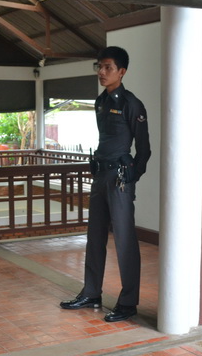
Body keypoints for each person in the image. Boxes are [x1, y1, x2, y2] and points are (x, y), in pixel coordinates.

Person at [60, 46, 151, 322]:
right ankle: (91, 293)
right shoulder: (100, 101)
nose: (101, 72)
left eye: (108, 67)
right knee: (95, 237)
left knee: (124, 240)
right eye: (99, 66)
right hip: (100, 176)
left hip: (120, 179)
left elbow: (144, 148)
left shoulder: (131, 104)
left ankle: (128, 302)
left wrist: (132, 176)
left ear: (121, 72)